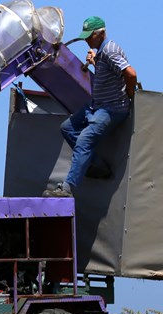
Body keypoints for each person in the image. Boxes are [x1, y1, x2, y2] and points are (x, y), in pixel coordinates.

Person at [44, 16, 137, 197]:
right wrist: (95, 62)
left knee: (84, 141)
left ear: (100, 34)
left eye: (89, 36)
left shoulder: (109, 51)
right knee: (67, 128)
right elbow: (110, 73)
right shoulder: (102, 53)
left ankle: (67, 188)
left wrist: (130, 94)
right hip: (98, 106)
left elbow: (131, 74)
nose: (87, 40)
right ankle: (96, 166)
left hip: (111, 108)